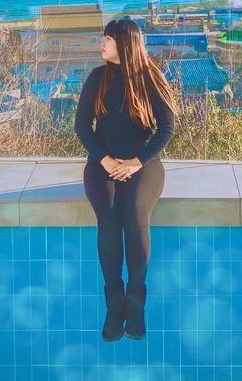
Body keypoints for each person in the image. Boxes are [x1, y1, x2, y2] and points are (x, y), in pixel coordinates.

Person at [74, 18, 177, 342]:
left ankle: (135, 303)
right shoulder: (97, 78)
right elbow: (81, 126)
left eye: (107, 39)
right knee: (108, 218)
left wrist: (136, 162)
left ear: (124, 44)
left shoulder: (151, 78)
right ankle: (114, 303)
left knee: (134, 216)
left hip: (144, 165)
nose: (101, 44)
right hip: (101, 163)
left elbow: (167, 128)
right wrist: (105, 160)